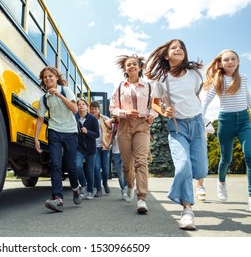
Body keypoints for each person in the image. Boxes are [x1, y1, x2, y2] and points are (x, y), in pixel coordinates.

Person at [145, 39, 208, 230]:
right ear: (166, 55)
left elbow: (196, 94)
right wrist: (164, 111)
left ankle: (186, 191)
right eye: (174, 48)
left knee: (201, 170)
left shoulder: (195, 74)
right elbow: (154, 102)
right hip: (177, 127)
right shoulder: (162, 79)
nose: (178, 49)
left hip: (197, 124)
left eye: (181, 48)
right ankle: (187, 209)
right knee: (183, 166)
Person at [202, 49, 251, 214]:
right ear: (221, 63)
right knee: (226, 158)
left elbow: (247, 95)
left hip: (244, 120)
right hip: (226, 121)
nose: (230, 62)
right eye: (226, 60)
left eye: (233, 59)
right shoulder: (219, 79)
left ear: (238, 61)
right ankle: (221, 182)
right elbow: (207, 100)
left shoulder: (243, 78)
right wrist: (200, 118)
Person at [109, 54, 157, 214]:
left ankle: (142, 198)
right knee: (126, 164)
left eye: (134, 64)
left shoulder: (149, 86)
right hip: (124, 126)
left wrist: (152, 115)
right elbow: (112, 108)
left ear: (140, 67)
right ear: (125, 69)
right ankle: (130, 185)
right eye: (128, 65)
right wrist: (125, 113)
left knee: (141, 161)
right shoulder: (120, 87)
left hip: (142, 125)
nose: (131, 66)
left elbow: (156, 105)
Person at [34, 66, 83, 212]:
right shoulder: (44, 98)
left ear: (56, 78)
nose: (48, 79)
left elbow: (75, 110)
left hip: (70, 132)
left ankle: (75, 188)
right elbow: (40, 118)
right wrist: (36, 138)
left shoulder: (65, 90)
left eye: (51, 76)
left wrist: (60, 95)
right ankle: (58, 199)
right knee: (55, 164)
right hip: (54, 130)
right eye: (45, 77)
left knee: (71, 164)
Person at [75, 98, 100, 200]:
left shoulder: (92, 119)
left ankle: (90, 191)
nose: (81, 106)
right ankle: (83, 184)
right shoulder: (75, 118)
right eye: (79, 104)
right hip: (79, 148)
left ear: (87, 106)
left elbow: (97, 134)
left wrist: (87, 132)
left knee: (90, 170)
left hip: (90, 148)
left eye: (83, 104)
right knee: (77, 166)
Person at [89, 101, 112, 197]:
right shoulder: (88, 119)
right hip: (94, 147)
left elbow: (111, 130)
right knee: (96, 168)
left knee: (105, 170)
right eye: (92, 109)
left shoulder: (105, 118)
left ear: (99, 109)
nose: (94, 110)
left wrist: (109, 143)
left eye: (95, 109)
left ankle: (105, 183)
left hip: (105, 147)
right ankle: (99, 189)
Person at [196, 117, 215, 201]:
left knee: (201, 166)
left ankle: (200, 187)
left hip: (202, 144)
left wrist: (203, 128)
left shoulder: (205, 120)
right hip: (191, 143)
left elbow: (212, 130)